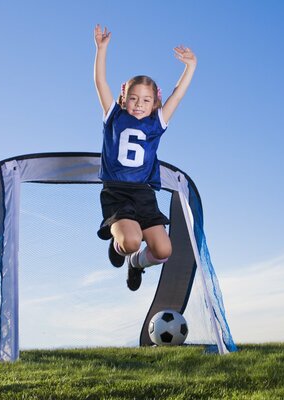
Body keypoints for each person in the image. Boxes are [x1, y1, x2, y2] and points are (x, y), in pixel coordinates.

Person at [93, 24, 197, 291]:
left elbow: (178, 95)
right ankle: (119, 246)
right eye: (134, 98)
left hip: (144, 194)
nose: (139, 104)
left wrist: (190, 67)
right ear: (124, 99)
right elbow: (100, 82)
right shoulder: (114, 116)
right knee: (131, 241)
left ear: (155, 104)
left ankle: (136, 264)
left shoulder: (156, 123)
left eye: (146, 100)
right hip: (117, 192)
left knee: (163, 251)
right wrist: (101, 49)